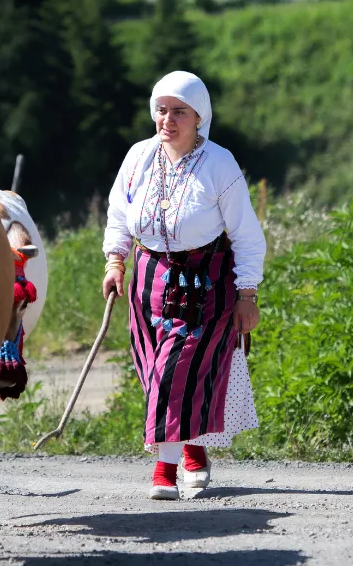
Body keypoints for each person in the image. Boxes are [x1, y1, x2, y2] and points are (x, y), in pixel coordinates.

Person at [102, 71, 266, 500]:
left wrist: (247, 294)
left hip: (205, 283)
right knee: (156, 371)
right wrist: (115, 261)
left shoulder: (219, 163)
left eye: (179, 112)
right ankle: (192, 447)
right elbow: (119, 213)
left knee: (174, 375)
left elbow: (247, 234)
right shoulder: (138, 157)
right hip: (149, 278)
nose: (167, 120)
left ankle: (164, 470)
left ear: (199, 118)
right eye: (161, 110)